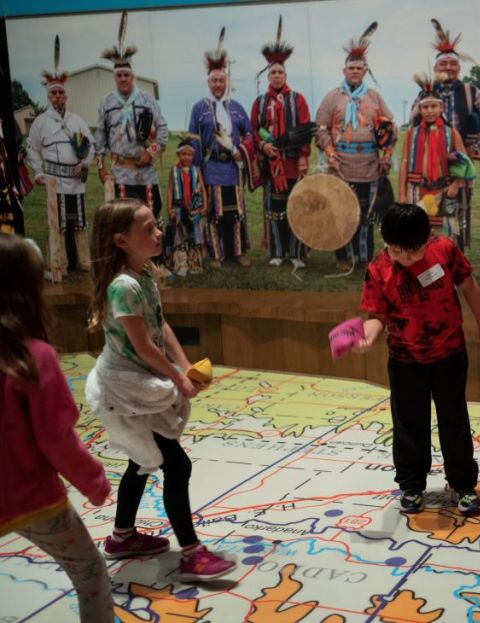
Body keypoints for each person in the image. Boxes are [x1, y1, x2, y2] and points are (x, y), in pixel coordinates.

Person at [84, 198, 235, 581]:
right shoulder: (122, 287)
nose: (158, 233)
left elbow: (160, 327)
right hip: (124, 387)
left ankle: (122, 537)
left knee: (142, 459)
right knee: (175, 463)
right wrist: (176, 378)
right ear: (121, 240)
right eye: (148, 229)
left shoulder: (145, 275)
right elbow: (143, 347)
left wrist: (184, 365)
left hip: (141, 381)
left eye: (157, 225)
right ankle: (192, 553)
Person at [0, 234, 114, 622]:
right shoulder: (36, 357)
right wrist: (95, 481)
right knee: (89, 570)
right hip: (30, 498)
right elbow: (55, 437)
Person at [354, 203, 480, 517]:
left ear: (427, 238)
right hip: (405, 361)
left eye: (412, 252)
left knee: (454, 421)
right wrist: (369, 335)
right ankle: (411, 486)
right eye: (396, 251)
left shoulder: (444, 251)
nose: (405, 258)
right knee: (409, 425)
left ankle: (463, 485)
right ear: (386, 241)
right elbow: (376, 315)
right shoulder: (379, 269)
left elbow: (468, 285)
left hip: (450, 354)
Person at [315, 22, 394, 275]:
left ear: (365, 70)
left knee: (367, 215)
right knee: (341, 212)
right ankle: (343, 257)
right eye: (351, 68)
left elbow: (389, 128)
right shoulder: (332, 97)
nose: (355, 71)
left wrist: (387, 156)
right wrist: (330, 153)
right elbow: (320, 128)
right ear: (344, 70)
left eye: (360, 68)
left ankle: (363, 258)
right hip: (341, 165)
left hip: (369, 165)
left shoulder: (374, 97)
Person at [408, 18, 480, 250]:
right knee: (429, 213)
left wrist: (476, 146)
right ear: (435, 69)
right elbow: (413, 122)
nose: (448, 68)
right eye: (443, 65)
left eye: (453, 64)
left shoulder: (471, 92)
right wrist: (423, 99)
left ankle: (455, 259)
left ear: (459, 67)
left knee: (457, 213)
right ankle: (430, 256)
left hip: (458, 165)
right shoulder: (426, 94)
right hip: (429, 166)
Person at [25, 37, 94, 276]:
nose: (57, 97)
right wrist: (39, 172)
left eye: (61, 93)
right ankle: (59, 263)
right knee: (58, 223)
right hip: (54, 181)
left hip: (77, 180)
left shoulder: (77, 120)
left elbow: (91, 145)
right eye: (53, 93)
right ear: (48, 96)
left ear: (66, 96)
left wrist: (84, 162)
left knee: (79, 222)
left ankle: (83, 262)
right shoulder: (41, 123)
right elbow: (31, 149)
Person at [189, 28, 254, 268]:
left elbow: (250, 134)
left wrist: (241, 150)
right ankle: (216, 254)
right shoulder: (199, 108)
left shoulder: (236, 107)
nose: (218, 84)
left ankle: (237, 251)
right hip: (212, 166)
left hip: (233, 168)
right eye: (214, 81)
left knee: (236, 212)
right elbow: (194, 141)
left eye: (221, 80)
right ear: (208, 82)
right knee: (215, 212)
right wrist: (196, 171)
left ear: (227, 82)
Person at [95, 11, 169, 222]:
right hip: (120, 172)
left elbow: (163, 129)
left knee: (150, 218)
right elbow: (100, 139)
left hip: (145, 172)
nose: (123, 79)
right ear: (114, 77)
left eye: (126, 75)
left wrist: (151, 152)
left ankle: (153, 257)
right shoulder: (106, 103)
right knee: (123, 222)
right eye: (119, 76)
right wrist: (101, 169)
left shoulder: (147, 100)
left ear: (133, 76)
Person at [252, 16, 311, 268]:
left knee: (294, 207)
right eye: (273, 72)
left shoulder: (297, 100)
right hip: (271, 164)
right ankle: (277, 251)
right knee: (274, 208)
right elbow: (254, 130)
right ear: (268, 76)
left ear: (285, 75)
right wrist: (262, 145)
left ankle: (296, 254)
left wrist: (303, 156)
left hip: (291, 162)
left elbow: (305, 130)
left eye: (280, 72)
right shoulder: (260, 102)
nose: (276, 76)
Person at [399, 74, 470, 236]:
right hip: (416, 191)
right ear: (420, 109)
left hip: (444, 190)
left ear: (441, 108)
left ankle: (441, 262)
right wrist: (402, 194)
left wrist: (454, 186)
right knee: (415, 235)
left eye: (433, 106)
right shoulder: (411, 134)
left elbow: (465, 164)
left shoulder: (452, 134)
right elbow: (404, 164)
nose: (429, 111)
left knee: (443, 238)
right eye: (425, 107)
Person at [165, 135, 207, 277]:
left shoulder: (197, 170)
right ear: (178, 154)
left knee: (194, 237)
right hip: (178, 209)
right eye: (184, 154)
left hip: (194, 209)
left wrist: (205, 206)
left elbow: (202, 189)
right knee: (180, 237)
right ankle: (181, 264)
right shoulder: (174, 171)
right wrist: (169, 208)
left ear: (193, 156)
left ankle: (194, 264)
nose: (187, 157)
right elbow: (170, 189)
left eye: (189, 154)